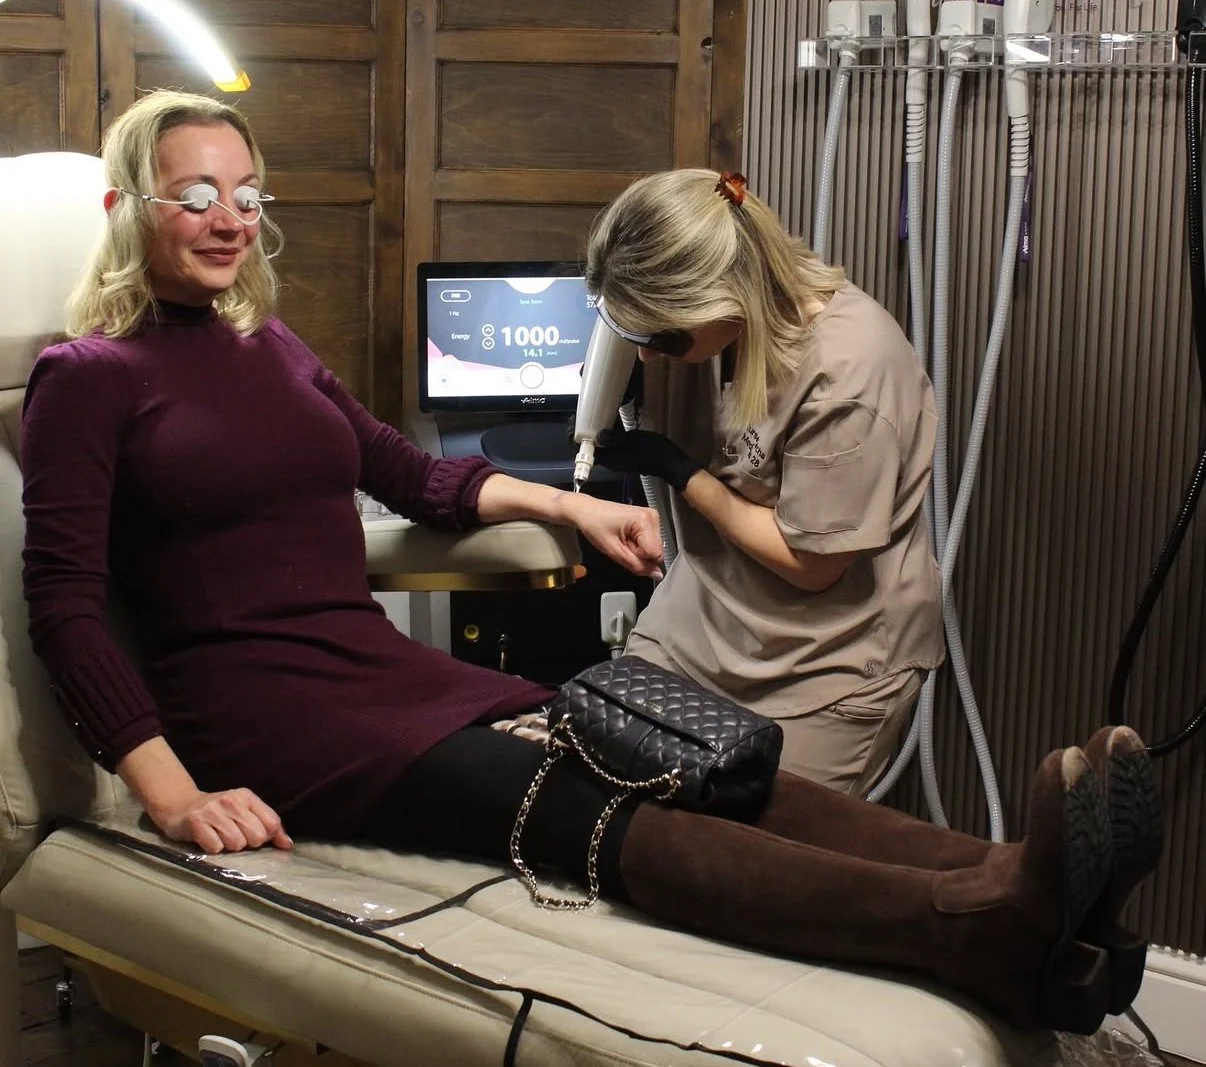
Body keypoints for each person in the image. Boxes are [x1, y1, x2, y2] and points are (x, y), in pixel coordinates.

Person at [21, 91, 1160, 1037]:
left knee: (681, 756)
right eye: (196, 196)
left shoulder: (265, 343)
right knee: (583, 805)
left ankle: (1018, 876)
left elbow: (408, 473)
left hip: (381, 674)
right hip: (262, 716)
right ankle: (983, 932)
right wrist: (171, 790)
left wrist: (574, 503)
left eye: (247, 194)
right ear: (129, 208)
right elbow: (65, 607)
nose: (229, 219)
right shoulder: (89, 376)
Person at [587, 169, 943, 795]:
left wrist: (680, 472)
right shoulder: (720, 328)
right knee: (605, 785)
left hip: (824, 659)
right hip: (702, 620)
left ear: (721, 302)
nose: (647, 354)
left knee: (754, 844)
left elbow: (811, 566)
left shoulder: (845, 375)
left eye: (662, 336)